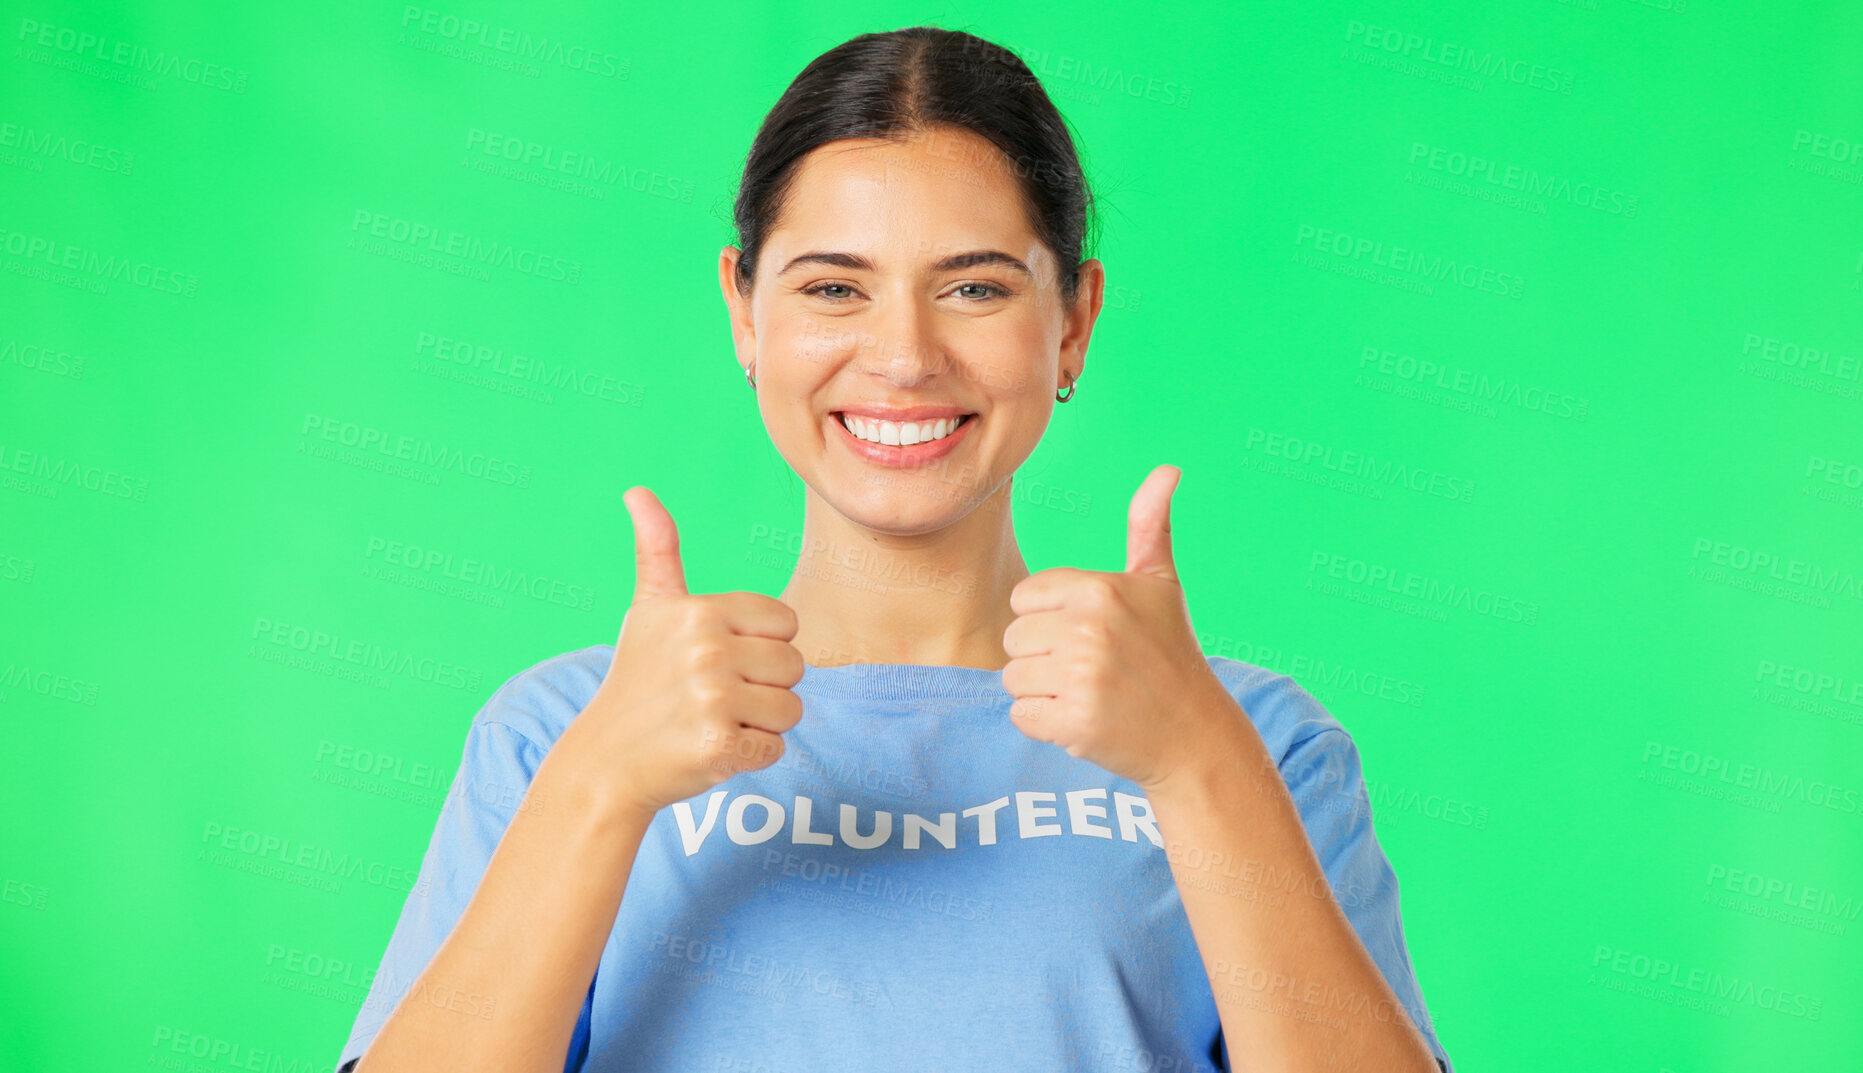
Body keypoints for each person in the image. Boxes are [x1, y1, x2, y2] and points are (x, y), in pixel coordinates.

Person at [335, 25, 1455, 1073]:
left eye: (973, 287)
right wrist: (601, 783)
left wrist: (1197, 763)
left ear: (1071, 320)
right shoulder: (558, 730)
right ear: (745, 312)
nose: (903, 356)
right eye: (834, 287)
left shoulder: (1259, 741)